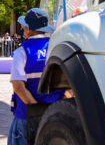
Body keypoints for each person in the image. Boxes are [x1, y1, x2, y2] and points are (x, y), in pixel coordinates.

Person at [8, 8, 66, 145]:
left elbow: (18, 87)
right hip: (55, 115)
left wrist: (36, 109)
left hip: (26, 116)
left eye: (24, 27)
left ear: (28, 29)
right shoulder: (57, 48)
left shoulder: (22, 51)